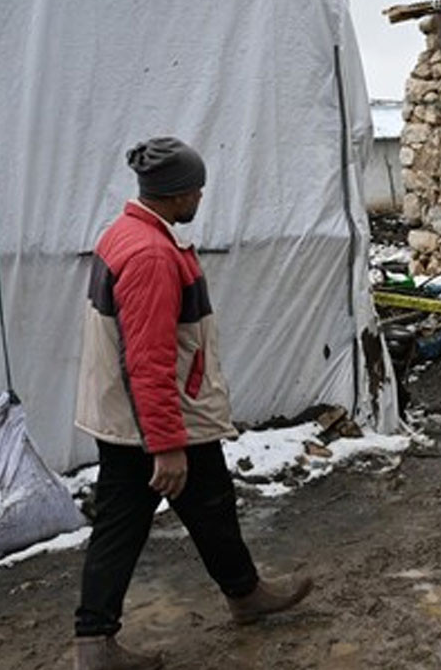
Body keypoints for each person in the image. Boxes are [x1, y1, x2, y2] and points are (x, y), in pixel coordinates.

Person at [72, 137, 312, 670]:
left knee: (210, 508)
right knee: (126, 526)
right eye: (196, 188)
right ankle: (95, 644)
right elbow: (149, 360)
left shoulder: (128, 233)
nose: (200, 196)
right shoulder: (152, 255)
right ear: (176, 193)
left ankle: (244, 593)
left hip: (141, 415)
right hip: (155, 421)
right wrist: (166, 446)